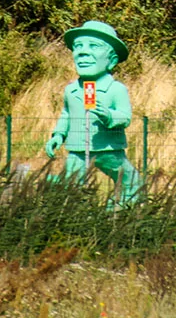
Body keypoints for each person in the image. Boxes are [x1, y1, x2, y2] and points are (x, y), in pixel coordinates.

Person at [44, 20, 141, 204]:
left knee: (131, 181)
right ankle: (66, 209)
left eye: (93, 46)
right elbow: (66, 114)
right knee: (70, 185)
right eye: (78, 46)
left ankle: (125, 208)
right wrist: (58, 135)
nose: (83, 52)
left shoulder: (116, 89)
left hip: (109, 148)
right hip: (77, 148)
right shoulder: (71, 90)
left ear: (111, 60)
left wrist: (109, 115)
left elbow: (125, 116)